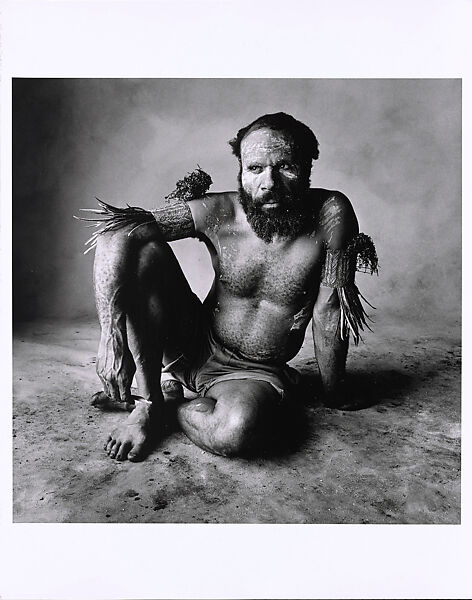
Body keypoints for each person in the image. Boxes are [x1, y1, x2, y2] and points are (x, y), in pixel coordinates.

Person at [81, 112, 377, 462]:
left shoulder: (331, 214)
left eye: (286, 166)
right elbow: (117, 231)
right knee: (141, 248)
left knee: (235, 431)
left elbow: (330, 310)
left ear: (308, 167)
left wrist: (333, 393)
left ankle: (169, 404)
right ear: (241, 170)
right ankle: (148, 403)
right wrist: (110, 336)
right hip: (190, 342)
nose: (269, 182)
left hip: (253, 372)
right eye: (255, 169)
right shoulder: (220, 211)